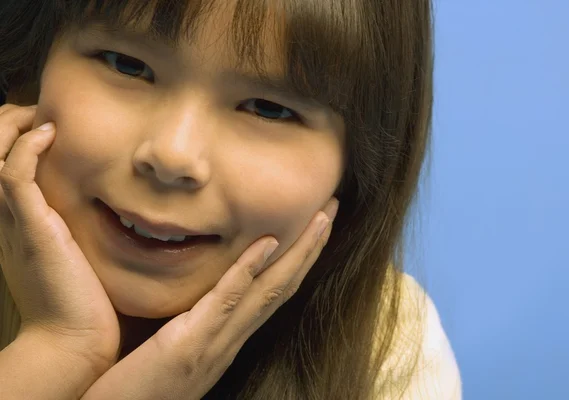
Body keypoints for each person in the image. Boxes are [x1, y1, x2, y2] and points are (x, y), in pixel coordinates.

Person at [0, 0, 461, 399]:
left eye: (268, 109)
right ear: (31, 69)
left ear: (353, 169)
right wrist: (59, 349)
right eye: (127, 64)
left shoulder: (389, 345)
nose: (172, 155)